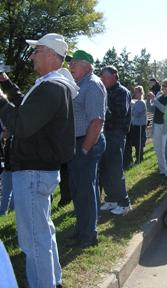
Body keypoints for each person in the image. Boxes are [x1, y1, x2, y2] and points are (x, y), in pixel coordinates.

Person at [0, 33, 76, 287]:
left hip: (33, 172)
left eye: (37, 51)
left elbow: (21, 125)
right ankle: (53, 282)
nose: (31, 56)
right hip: (39, 170)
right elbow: (27, 108)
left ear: (52, 55)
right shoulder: (53, 84)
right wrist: (7, 85)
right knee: (43, 234)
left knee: (33, 241)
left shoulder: (51, 87)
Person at [68, 50, 106, 249]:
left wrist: (84, 149)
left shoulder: (91, 84)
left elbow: (96, 121)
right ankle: (82, 228)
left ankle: (88, 234)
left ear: (87, 65)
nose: (70, 65)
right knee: (78, 189)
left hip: (87, 142)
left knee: (85, 190)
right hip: (79, 142)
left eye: (74, 62)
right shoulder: (80, 84)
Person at [99, 65, 132, 215]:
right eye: (102, 77)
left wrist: (104, 109)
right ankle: (111, 198)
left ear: (114, 76)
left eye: (105, 77)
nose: (102, 79)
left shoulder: (122, 92)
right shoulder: (106, 90)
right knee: (105, 168)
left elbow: (120, 114)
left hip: (116, 134)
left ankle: (124, 202)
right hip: (106, 133)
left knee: (115, 169)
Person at [148, 79, 167, 178]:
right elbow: (151, 109)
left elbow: (165, 110)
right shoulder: (159, 96)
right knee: (157, 148)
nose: (163, 88)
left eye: (165, 86)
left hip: (165, 126)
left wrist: (154, 100)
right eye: (162, 86)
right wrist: (149, 99)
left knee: (164, 149)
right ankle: (162, 170)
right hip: (156, 125)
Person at [129, 86, 147, 164]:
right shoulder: (137, 102)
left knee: (139, 143)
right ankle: (138, 158)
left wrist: (131, 110)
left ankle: (139, 159)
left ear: (140, 93)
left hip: (139, 125)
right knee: (137, 142)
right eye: (134, 92)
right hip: (136, 125)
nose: (135, 94)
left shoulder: (141, 102)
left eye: (136, 92)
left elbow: (136, 114)